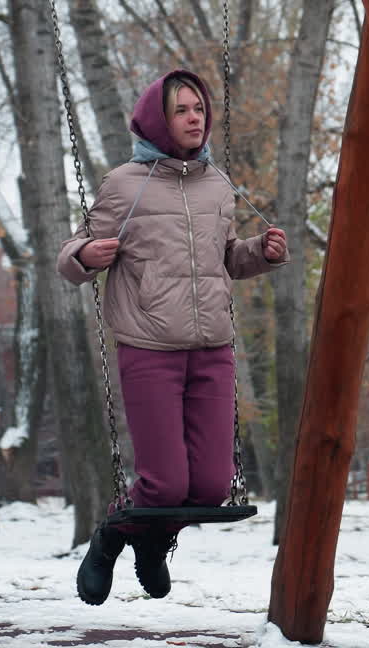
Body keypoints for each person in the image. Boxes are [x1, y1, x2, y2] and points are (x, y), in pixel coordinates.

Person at [57, 70, 289, 605]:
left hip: (213, 349)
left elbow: (227, 258)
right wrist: (85, 256)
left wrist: (262, 252)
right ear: (159, 120)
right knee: (163, 485)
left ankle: (153, 537)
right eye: (182, 110)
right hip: (149, 348)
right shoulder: (124, 184)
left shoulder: (217, 185)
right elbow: (71, 256)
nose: (194, 118)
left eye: (199, 110)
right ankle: (115, 535)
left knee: (209, 488)